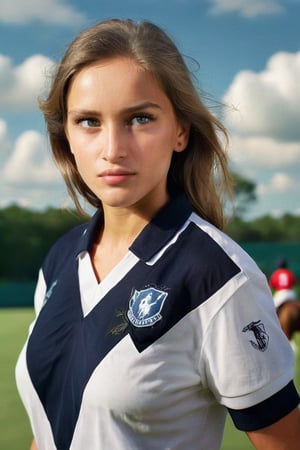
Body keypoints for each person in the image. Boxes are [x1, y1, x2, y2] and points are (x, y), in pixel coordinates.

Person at [16, 19, 300, 450]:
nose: (113, 148)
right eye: (89, 121)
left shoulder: (217, 277)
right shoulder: (60, 258)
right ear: (66, 138)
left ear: (181, 131)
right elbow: (51, 429)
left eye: (140, 118)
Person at [269, 258, 299, 340]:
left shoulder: (276, 273)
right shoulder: (290, 273)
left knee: (271, 310)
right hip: (291, 294)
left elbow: (271, 286)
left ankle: (274, 325)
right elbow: (295, 283)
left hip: (281, 294)